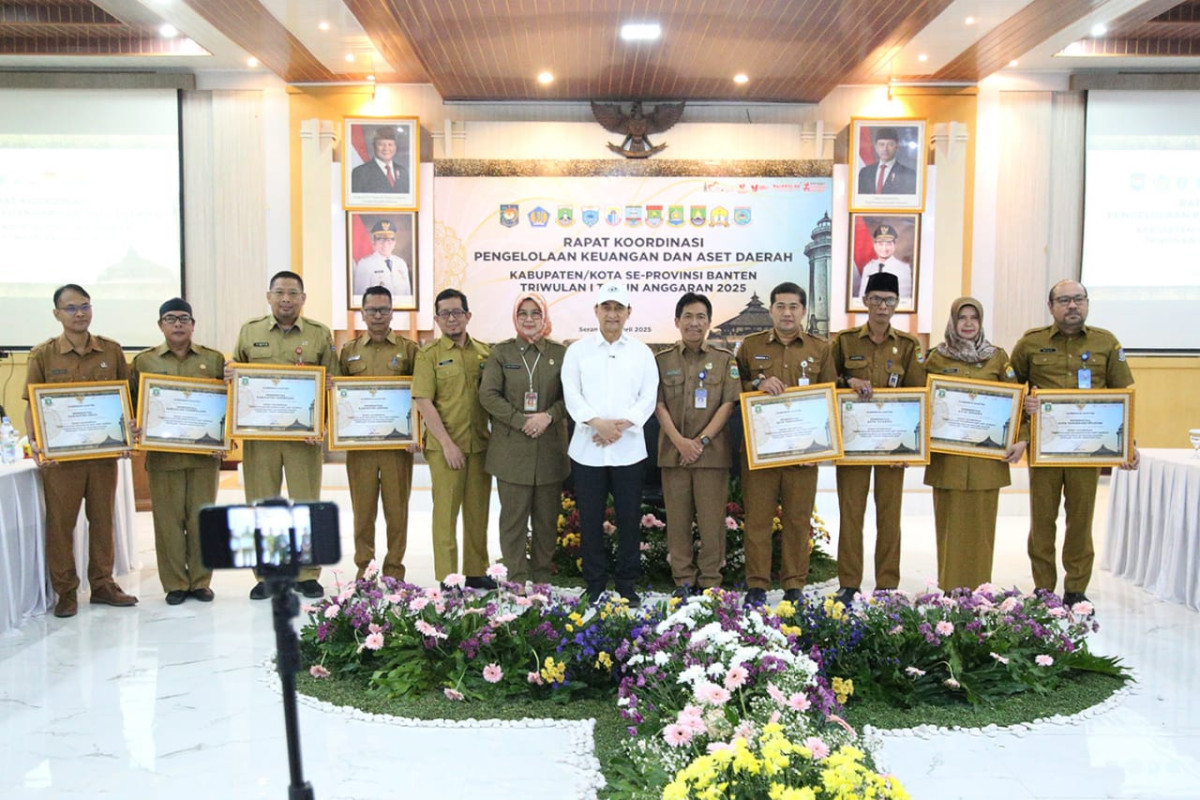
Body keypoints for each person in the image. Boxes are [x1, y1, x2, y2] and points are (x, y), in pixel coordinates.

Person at [1010, 279, 1138, 606]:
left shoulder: (1106, 344)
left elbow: (1122, 397)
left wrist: (1128, 444)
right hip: (1044, 449)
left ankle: (1076, 590)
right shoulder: (1030, 344)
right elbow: (1011, 393)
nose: (1072, 306)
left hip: (1087, 449)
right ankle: (1043, 590)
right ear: (1051, 306)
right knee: (1042, 522)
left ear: (1087, 304)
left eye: (1079, 299)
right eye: (1064, 300)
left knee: (1080, 521)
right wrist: (1023, 428)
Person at [23, 284, 137, 618]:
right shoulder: (42, 354)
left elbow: (125, 401)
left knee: (103, 521)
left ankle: (102, 585)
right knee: (61, 525)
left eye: (85, 306)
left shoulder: (111, 351)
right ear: (57, 314)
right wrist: (37, 443)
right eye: (71, 308)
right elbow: (32, 405)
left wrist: (127, 434)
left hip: (102, 456)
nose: (80, 313)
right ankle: (66, 591)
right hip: (62, 459)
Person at [232, 270, 339, 600]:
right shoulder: (250, 332)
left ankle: (308, 574)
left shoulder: (320, 335)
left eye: (293, 293)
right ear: (269, 296)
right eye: (279, 293)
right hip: (260, 440)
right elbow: (236, 378)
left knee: (307, 504)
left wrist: (320, 426)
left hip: (302, 440)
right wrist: (231, 376)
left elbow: (331, 387)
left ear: (303, 299)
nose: (286, 299)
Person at [735, 282, 837, 608]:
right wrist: (757, 383)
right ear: (771, 310)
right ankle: (757, 584)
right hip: (762, 450)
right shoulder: (750, 347)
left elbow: (830, 398)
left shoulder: (821, 349)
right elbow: (734, 387)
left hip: (804, 453)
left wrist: (821, 451)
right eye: (780, 306)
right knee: (758, 520)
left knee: (797, 519)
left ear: (803, 310)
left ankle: (794, 584)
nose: (787, 313)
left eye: (793, 306)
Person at [832, 271, 926, 606]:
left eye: (889, 300)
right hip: (854, 443)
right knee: (851, 513)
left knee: (890, 515)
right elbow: (830, 383)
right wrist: (849, 382)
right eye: (875, 299)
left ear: (897, 304)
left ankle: (887, 583)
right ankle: (849, 582)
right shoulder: (844, 342)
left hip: (893, 445)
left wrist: (911, 449)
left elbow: (918, 395)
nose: (882, 307)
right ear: (865, 301)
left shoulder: (909, 345)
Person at [561, 282, 658, 606]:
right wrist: (596, 423)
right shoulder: (577, 351)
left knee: (629, 519)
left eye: (619, 308)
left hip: (628, 450)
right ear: (596, 311)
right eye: (607, 307)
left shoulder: (642, 353)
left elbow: (648, 396)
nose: (612, 314)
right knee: (589, 519)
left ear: (628, 313)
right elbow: (571, 393)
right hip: (588, 450)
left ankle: (627, 583)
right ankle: (595, 582)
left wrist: (621, 426)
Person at [922, 297, 1026, 591]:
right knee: (949, 528)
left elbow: (1015, 405)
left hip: (986, 461)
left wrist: (1021, 439)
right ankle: (948, 589)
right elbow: (920, 400)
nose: (968, 324)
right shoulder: (936, 358)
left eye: (974, 318)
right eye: (962, 318)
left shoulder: (997, 358)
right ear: (952, 322)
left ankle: (980, 591)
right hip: (949, 461)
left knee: (981, 530)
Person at [130, 298, 226, 605]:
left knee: (202, 520)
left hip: (203, 458)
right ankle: (174, 583)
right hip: (163, 458)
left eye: (184, 318)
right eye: (170, 319)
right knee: (168, 523)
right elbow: (132, 404)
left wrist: (225, 439)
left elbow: (227, 403)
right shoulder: (145, 362)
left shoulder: (213, 360)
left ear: (193, 324)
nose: (178, 324)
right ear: (160, 325)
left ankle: (200, 581)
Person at [479, 293, 569, 586]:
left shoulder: (561, 353)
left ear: (544, 318)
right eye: (523, 314)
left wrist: (549, 416)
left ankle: (542, 578)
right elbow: (488, 395)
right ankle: (516, 579)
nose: (529, 319)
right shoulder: (502, 354)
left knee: (546, 521)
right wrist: (521, 420)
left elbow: (572, 396)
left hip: (550, 450)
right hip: (511, 452)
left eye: (535, 314)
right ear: (515, 318)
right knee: (513, 521)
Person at [654, 293, 741, 598]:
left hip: (711, 456)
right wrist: (680, 442)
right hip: (674, 454)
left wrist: (700, 442)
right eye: (688, 316)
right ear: (677, 321)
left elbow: (728, 404)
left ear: (709, 322)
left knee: (711, 522)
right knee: (676, 520)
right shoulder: (662, 361)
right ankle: (683, 581)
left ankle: (710, 581)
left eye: (701, 316)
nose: (694, 322)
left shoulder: (724, 360)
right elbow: (658, 405)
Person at [412, 288, 495, 589]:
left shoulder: (485, 353)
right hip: (445, 448)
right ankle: (448, 577)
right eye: (444, 313)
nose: (451, 318)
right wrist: (447, 444)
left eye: (457, 312)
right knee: (445, 514)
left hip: (480, 446)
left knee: (477, 512)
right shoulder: (429, 355)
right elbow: (423, 401)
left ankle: (476, 571)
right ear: (436, 319)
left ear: (468, 315)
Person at [338, 286, 420, 582]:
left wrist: (416, 434)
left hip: (397, 448)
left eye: (383, 309)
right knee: (363, 512)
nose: (377, 315)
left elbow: (421, 396)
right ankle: (365, 569)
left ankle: (394, 570)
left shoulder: (409, 350)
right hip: (360, 448)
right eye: (371, 310)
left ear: (392, 312)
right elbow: (338, 399)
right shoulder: (348, 352)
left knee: (397, 512)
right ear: (362, 313)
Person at [352, 219, 413, 300]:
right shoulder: (365, 264)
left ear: (395, 242)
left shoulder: (401, 263)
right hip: (377, 311)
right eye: (381, 239)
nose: (385, 243)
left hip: (402, 310)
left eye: (390, 239)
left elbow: (408, 295)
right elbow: (360, 298)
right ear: (374, 242)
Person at [856, 224, 913, 305]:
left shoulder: (904, 269)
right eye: (880, 244)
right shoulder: (868, 268)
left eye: (888, 244)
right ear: (874, 245)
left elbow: (904, 302)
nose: (884, 248)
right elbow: (861, 299)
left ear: (894, 245)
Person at [856, 126, 917, 195]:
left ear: (897, 147)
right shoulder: (864, 172)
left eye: (890, 144)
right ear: (876, 147)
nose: (885, 149)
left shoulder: (908, 174)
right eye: (881, 144)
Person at [350, 126, 409, 194]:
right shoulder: (360, 172)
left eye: (390, 145)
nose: (386, 148)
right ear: (374, 146)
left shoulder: (403, 172)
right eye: (381, 144)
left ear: (395, 147)